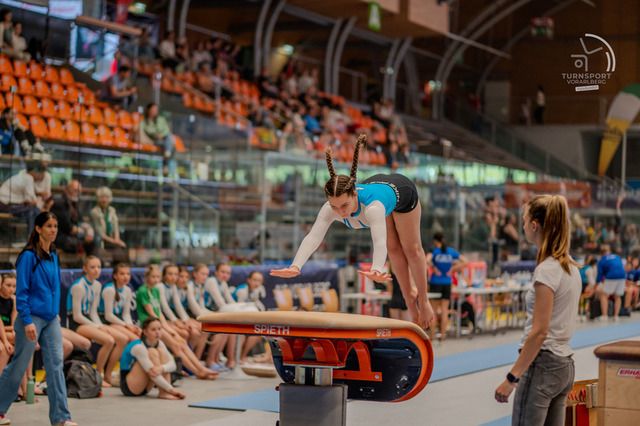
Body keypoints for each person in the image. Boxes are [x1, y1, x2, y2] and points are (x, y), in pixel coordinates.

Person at [271, 134, 435, 328]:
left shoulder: (373, 208)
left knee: (411, 249)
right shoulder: (329, 209)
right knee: (394, 249)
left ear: (355, 193)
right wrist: (295, 266)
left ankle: (423, 299)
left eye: (344, 205)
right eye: (334, 207)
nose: (341, 212)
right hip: (378, 186)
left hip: (403, 192)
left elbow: (378, 242)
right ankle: (409, 297)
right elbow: (313, 237)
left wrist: (376, 268)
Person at [494, 195, 581, 426]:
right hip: (564, 365)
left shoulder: (547, 270)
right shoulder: (571, 268)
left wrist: (512, 378)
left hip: (543, 365)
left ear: (534, 225)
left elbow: (540, 332)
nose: (522, 226)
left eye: (524, 220)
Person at [0, 211, 78, 426]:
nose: (54, 230)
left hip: (51, 319)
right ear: (38, 228)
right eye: (49, 226)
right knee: (19, 366)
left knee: (56, 366)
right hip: (31, 318)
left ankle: (61, 418)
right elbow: (22, 292)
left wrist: (55, 313)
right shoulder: (27, 256)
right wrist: (26, 321)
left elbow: (55, 287)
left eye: (56, 226)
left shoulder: (54, 253)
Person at [137, 265, 218, 380]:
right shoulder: (143, 290)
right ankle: (197, 372)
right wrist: (167, 328)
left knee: (182, 342)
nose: (155, 279)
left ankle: (201, 368)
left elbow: (159, 312)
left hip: (158, 324)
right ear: (147, 277)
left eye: (157, 277)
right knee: (176, 345)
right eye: (153, 277)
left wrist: (168, 328)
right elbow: (152, 313)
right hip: (149, 326)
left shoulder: (155, 290)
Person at [67, 256, 128, 387]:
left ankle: (108, 375)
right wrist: (97, 326)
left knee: (122, 339)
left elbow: (93, 312)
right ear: (85, 269)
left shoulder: (97, 285)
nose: (96, 270)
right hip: (77, 323)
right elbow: (77, 316)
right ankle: (97, 376)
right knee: (109, 340)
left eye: (99, 267)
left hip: (89, 321)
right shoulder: (79, 286)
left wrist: (99, 325)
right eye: (92, 267)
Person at [119, 317, 186, 400]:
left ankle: (164, 392)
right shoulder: (138, 347)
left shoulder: (159, 343)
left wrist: (161, 368)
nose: (157, 332)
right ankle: (165, 392)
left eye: (159, 329)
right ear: (145, 332)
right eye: (153, 330)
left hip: (146, 386)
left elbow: (173, 365)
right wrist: (172, 390)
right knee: (152, 352)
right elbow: (152, 372)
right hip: (130, 387)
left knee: (161, 351)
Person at [426, 232, 468, 342]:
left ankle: (432, 336)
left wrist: (434, 268)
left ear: (435, 240)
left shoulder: (434, 251)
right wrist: (452, 269)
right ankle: (443, 336)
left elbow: (427, 260)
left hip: (436, 282)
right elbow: (465, 261)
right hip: (447, 283)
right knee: (445, 311)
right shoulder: (451, 251)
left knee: (433, 311)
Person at [50, 180, 96, 256]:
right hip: (60, 238)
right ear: (66, 191)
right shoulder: (60, 204)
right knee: (83, 244)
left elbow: (81, 222)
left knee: (92, 242)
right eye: (75, 190)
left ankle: (93, 263)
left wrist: (89, 229)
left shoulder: (74, 204)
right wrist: (86, 232)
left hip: (71, 238)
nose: (78, 193)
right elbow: (70, 229)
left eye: (79, 191)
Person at [99, 262, 140, 342]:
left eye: (128, 274)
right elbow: (108, 316)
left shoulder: (128, 290)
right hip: (107, 321)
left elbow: (126, 314)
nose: (126, 277)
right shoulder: (109, 290)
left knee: (141, 334)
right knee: (135, 339)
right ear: (115, 276)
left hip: (118, 319)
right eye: (122, 274)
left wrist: (131, 325)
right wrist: (125, 325)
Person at [0, 161, 45, 231]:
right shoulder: (28, 177)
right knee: (33, 211)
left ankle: (33, 235)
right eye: (40, 173)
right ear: (34, 171)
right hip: (5, 205)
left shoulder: (23, 175)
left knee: (35, 211)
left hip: (7, 205)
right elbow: (29, 200)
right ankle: (33, 235)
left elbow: (30, 199)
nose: (40, 176)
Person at [140, 103, 175, 176]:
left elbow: (166, 131)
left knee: (168, 138)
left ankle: (167, 154)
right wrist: (155, 136)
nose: (155, 111)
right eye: (153, 109)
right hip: (153, 141)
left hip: (163, 139)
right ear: (148, 110)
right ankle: (166, 161)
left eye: (156, 109)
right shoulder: (143, 122)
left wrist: (161, 135)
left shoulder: (161, 119)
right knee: (168, 144)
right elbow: (143, 133)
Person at [596, 244, 626, 321]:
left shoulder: (601, 260)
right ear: (609, 251)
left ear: (600, 253)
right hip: (622, 275)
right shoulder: (617, 256)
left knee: (604, 295)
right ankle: (616, 316)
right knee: (618, 296)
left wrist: (596, 284)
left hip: (612, 275)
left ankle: (604, 316)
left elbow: (600, 275)